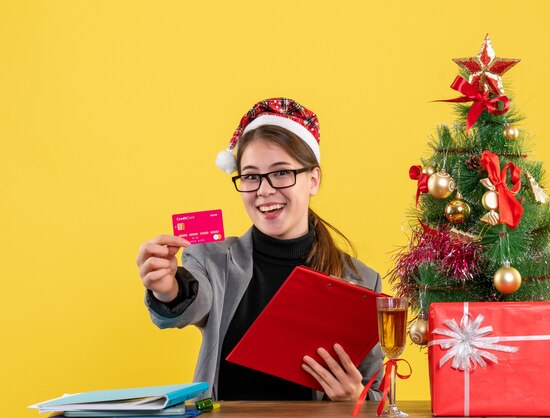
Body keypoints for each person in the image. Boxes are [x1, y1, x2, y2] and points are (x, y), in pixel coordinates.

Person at [136, 98, 383, 401]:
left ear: (313, 180)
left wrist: (355, 397)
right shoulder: (210, 259)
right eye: (251, 176)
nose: (264, 190)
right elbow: (195, 303)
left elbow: (380, 398)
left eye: (281, 173)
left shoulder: (360, 281)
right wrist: (168, 289)